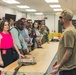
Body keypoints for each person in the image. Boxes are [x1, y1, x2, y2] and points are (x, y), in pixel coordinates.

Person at [51, 9, 76, 75]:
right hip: (69, 67)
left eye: (60, 18)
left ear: (64, 19)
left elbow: (69, 52)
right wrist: (59, 60)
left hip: (67, 69)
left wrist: (60, 65)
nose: (59, 19)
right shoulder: (72, 29)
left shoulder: (68, 32)